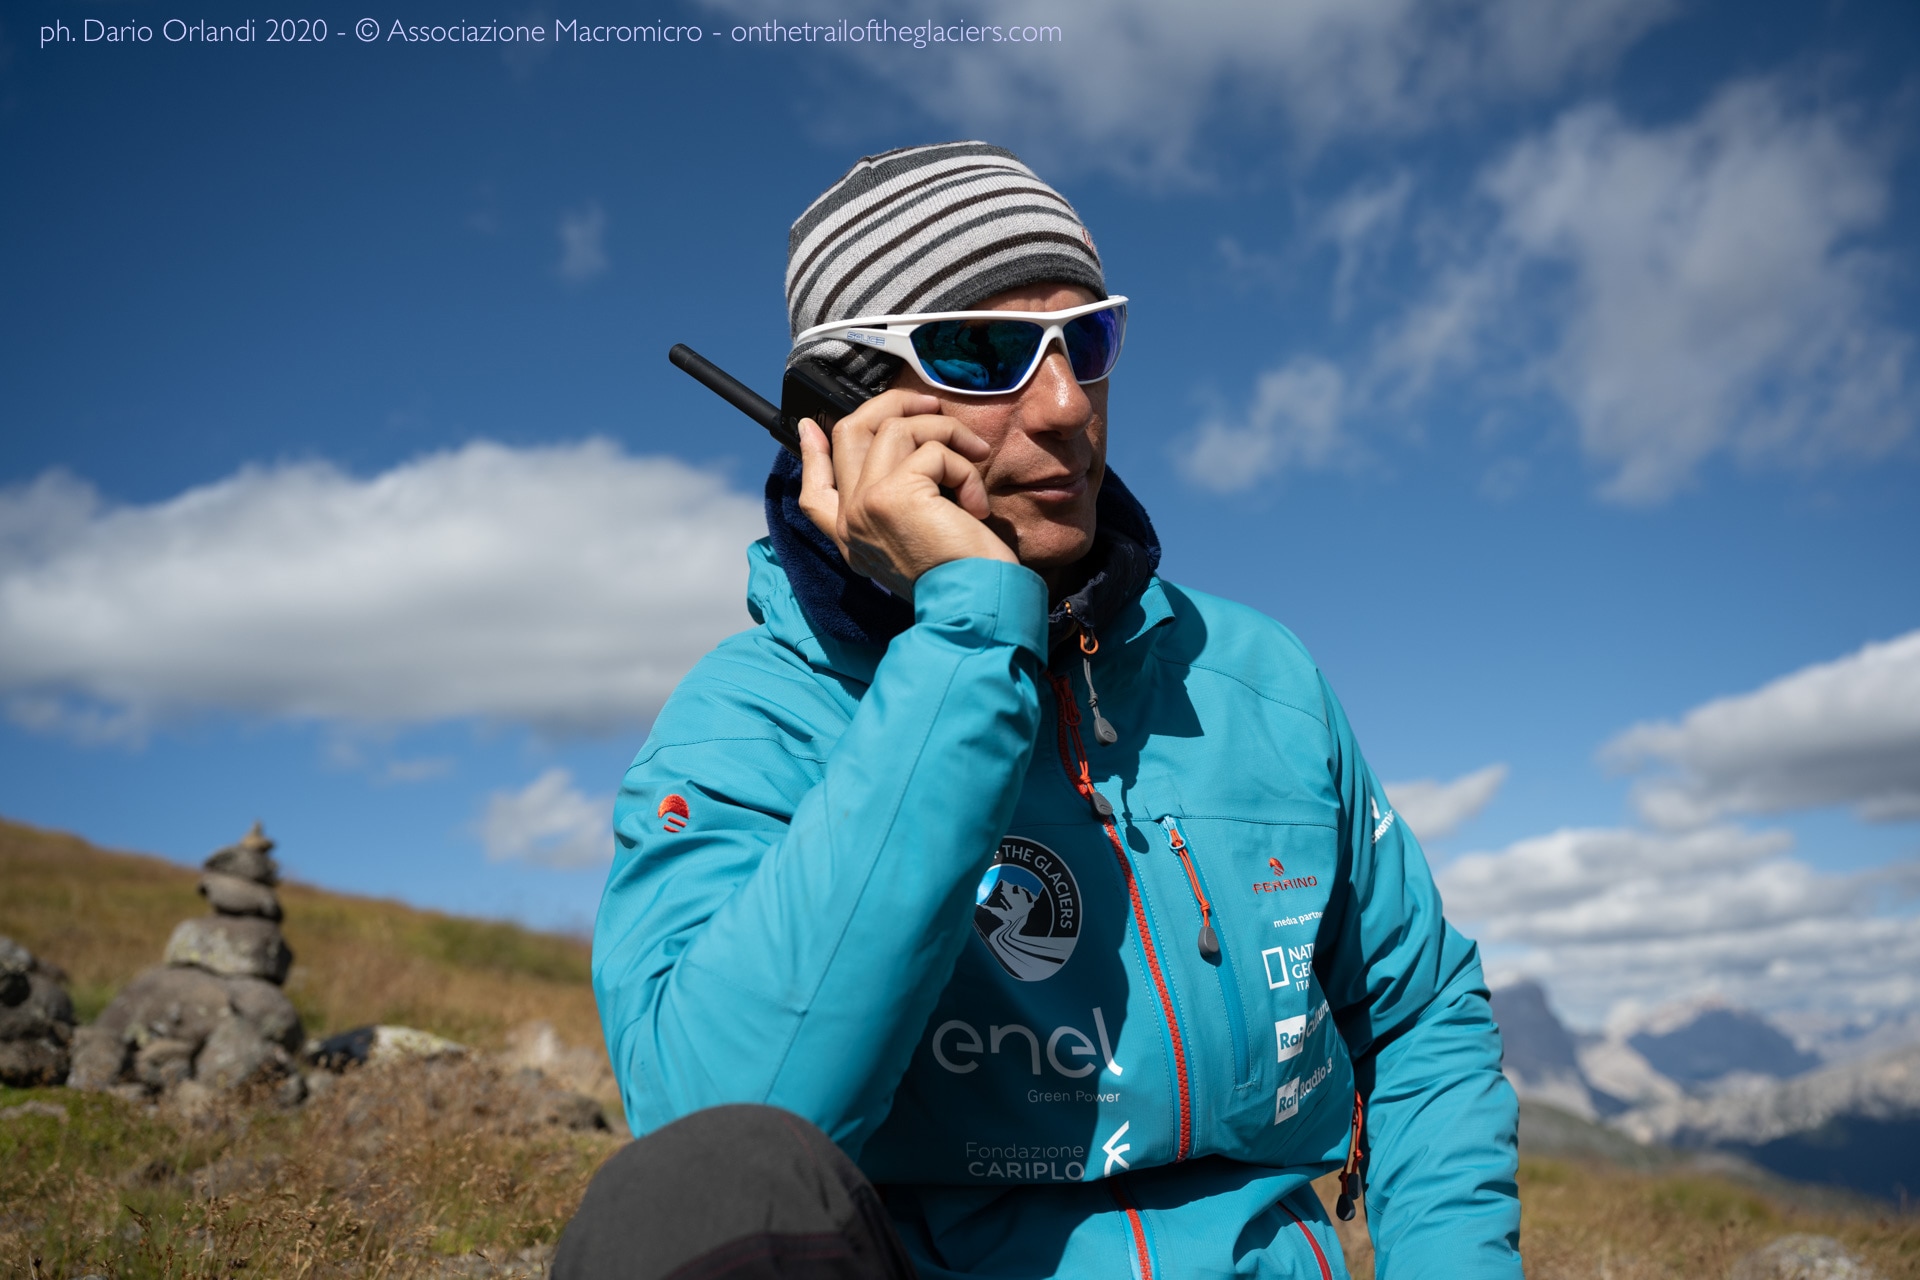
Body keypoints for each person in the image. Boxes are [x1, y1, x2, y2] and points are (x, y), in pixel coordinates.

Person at [559, 142, 1522, 1280]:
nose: (1067, 405)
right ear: (841, 408)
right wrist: (968, 635)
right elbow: (722, 1152)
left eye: (1090, 341)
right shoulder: (750, 723)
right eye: (987, 353)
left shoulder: (1257, 677)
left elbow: (1421, 1020)